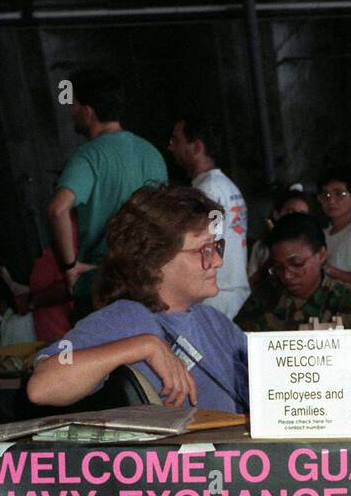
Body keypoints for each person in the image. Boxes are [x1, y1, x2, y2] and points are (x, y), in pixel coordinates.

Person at [28, 184, 248, 412]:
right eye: (204, 251)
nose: (217, 262)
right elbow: (43, 383)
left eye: (216, 247)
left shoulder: (213, 320)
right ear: (154, 261)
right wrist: (145, 346)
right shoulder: (125, 318)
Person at [47, 69, 167, 314]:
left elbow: (57, 210)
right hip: (149, 284)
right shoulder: (151, 153)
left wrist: (70, 266)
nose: (71, 112)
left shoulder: (89, 155)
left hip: (101, 287)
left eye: (74, 106)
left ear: (88, 111)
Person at [236, 214, 351, 332]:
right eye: (278, 267)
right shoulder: (264, 299)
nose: (287, 276)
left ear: (321, 254)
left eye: (297, 264)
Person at [168, 113, 250, 319]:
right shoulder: (225, 185)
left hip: (218, 296)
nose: (171, 147)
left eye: (176, 140)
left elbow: (207, 241)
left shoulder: (208, 192)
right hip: (230, 291)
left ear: (197, 147)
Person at [247, 186, 312, 286]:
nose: (295, 218)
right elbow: (251, 283)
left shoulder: (312, 246)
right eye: (290, 212)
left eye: (302, 214)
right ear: (277, 214)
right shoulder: (261, 247)